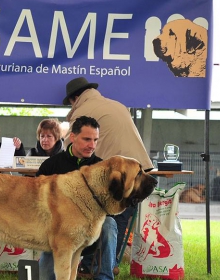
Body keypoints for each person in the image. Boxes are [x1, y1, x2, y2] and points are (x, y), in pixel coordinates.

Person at [63, 76, 154, 266]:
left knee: (103, 219)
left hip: (119, 175)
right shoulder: (117, 105)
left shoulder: (83, 111)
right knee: (120, 218)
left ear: (75, 98)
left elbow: (69, 150)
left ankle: (91, 266)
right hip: (141, 171)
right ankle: (108, 265)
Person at [37, 116, 116, 280]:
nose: (92, 145)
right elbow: (36, 204)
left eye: (95, 140)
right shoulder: (51, 165)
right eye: (87, 139)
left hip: (90, 231)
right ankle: (67, 275)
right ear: (72, 137)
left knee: (109, 225)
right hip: (57, 235)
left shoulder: (102, 168)